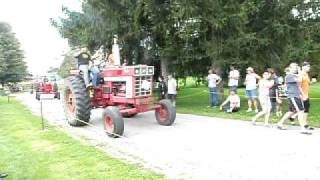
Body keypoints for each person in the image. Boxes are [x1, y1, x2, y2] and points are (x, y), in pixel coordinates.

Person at [277, 63, 311, 133]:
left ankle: (279, 123)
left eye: (296, 67)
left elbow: (298, 86)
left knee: (291, 111)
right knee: (301, 111)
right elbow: (300, 80)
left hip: (296, 95)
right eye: (294, 67)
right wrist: (300, 71)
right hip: (293, 96)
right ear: (290, 68)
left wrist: (303, 94)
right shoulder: (289, 76)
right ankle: (302, 129)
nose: (295, 68)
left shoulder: (294, 75)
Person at [300, 62, 314, 130]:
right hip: (302, 95)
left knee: (306, 110)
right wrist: (303, 95)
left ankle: (305, 124)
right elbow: (298, 86)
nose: (309, 68)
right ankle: (280, 122)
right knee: (296, 111)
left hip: (306, 95)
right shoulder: (300, 74)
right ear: (303, 67)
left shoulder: (306, 74)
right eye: (308, 66)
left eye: (309, 66)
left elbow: (308, 84)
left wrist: (312, 82)